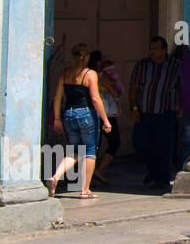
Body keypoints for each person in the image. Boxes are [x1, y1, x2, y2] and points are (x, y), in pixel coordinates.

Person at [49, 43, 113, 199]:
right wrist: (106, 120)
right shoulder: (90, 74)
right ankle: (85, 189)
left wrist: (57, 118)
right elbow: (96, 99)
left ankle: (55, 176)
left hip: (69, 114)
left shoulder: (65, 73)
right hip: (87, 115)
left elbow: (57, 97)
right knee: (90, 151)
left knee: (74, 151)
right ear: (88, 57)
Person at [129, 36, 182, 188]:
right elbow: (134, 87)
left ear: (164, 50)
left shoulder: (174, 65)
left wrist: (180, 107)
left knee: (164, 146)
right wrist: (133, 108)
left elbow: (181, 87)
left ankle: (162, 179)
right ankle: (153, 170)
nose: (152, 52)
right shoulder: (142, 65)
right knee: (140, 143)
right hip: (145, 112)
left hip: (166, 112)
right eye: (151, 48)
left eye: (156, 48)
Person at [88, 50, 123, 188]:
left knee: (94, 145)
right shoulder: (103, 77)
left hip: (93, 115)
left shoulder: (86, 75)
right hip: (106, 116)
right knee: (115, 142)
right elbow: (115, 94)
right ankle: (100, 170)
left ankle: (89, 176)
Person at [174, 42, 190, 169]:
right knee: (187, 140)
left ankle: (183, 167)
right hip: (189, 105)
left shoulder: (185, 61)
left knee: (186, 140)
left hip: (186, 105)